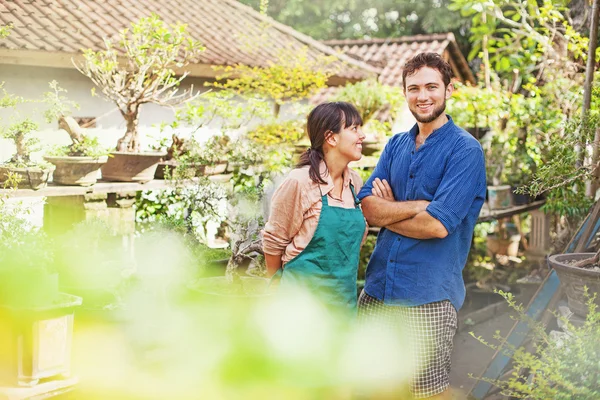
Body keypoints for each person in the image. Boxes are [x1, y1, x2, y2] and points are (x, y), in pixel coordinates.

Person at [356, 53, 486, 399]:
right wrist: (416, 207)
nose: (422, 96)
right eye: (413, 88)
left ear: (449, 89)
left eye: (431, 86)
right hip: (377, 290)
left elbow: (437, 226)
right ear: (404, 92)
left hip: (427, 297)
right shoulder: (396, 144)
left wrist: (390, 209)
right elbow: (367, 208)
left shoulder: (465, 151)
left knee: (424, 394)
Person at [262, 101, 368, 310]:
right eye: (354, 129)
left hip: (342, 306)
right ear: (331, 137)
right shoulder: (300, 182)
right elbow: (274, 243)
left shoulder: (355, 183)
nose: (362, 135)